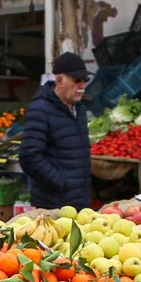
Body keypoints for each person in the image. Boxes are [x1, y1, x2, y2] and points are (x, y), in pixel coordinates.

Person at [19, 52, 93, 211]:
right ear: (59, 80)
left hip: (79, 200)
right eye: (77, 80)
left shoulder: (79, 108)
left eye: (85, 80)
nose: (82, 86)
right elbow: (29, 157)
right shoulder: (40, 109)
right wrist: (61, 182)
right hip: (53, 204)